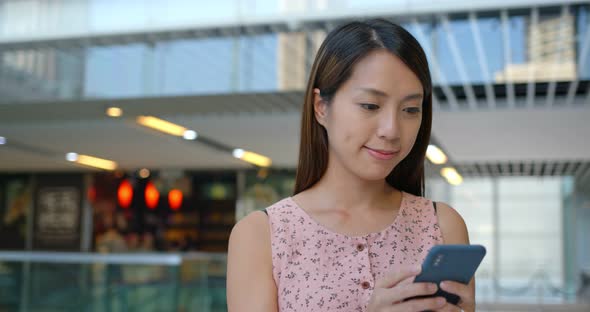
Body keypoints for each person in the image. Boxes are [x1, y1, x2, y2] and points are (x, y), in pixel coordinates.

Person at [227, 19, 473, 312]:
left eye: (410, 109)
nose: (391, 130)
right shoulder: (261, 235)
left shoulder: (442, 224)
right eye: (370, 105)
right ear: (321, 107)